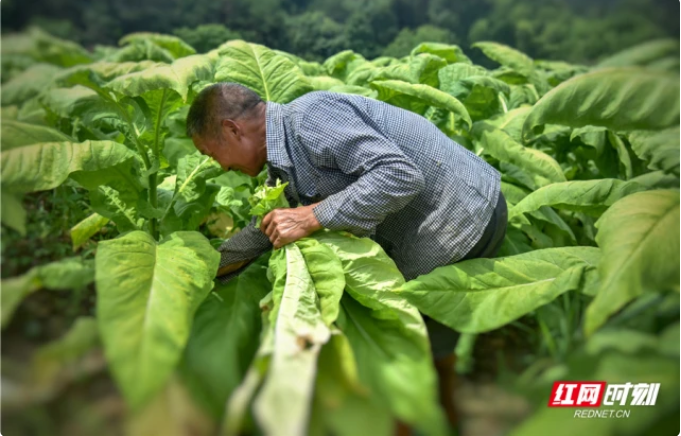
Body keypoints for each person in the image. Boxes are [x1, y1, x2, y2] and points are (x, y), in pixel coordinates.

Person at [186, 82, 508, 429]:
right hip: (452, 226)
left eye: (210, 153)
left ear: (231, 130)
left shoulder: (309, 118)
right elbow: (264, 230)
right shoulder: (282, 164)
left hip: (462, 218)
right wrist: (201, 272)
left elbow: (399, 176)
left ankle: (420, 418)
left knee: (396, 359)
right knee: (427, 352)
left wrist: (311, 216)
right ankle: (446, 417)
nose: (218, 166)